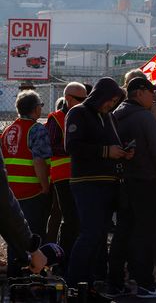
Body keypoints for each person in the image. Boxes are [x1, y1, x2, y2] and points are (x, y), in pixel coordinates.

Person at [65, 78, 129, 299]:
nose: (110, 104)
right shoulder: (78, 113)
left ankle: (89, 286)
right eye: (109, 100)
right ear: (100, 96)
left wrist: (122, 152)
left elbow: (111, 143)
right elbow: (72, 146)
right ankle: (73, 286)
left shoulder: (108, 116)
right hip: (86, 181)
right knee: (90, 233)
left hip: (107, 181)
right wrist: (105, 152)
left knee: (100, 236)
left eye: (114, 101)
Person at [108, 77, 156, 298]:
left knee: (123, 232)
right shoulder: (145, 117)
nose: (154, 96)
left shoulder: (115, 115)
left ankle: (115, 281)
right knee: (145, 234)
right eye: (151, 92)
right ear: (140, 92)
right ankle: (145, 283)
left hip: (123, 181)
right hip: (145, 181)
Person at [1, 90, 52, 276]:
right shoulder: (37, 129)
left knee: (14, 234)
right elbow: (39, 161)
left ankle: (14, 274)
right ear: (36, 109)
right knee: (32, 236)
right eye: (41, 106)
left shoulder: (8, 130)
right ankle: (30, 276)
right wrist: (45, 186)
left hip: (10, 193)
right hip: (32, 191)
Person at [46, 82, 87, 268]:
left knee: (76, 218)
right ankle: (63, 259)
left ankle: (68, 257)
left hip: (79, 175)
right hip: (63, 176)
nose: (84, 102)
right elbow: (51, 147)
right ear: (68, 98)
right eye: (80, 99)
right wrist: (75, 148)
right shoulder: (56, 118)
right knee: (70, 218)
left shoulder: (81, 115)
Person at [0, 146, 48, 274]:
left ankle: (14, 270)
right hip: (33, 192)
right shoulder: (36, 130)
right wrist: (32, 247)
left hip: (17, 191)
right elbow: (4, 205)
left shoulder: (6, 132)